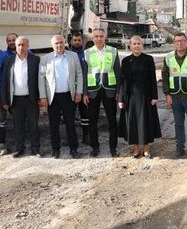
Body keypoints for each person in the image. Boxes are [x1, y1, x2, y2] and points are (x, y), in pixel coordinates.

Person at [39, 35, 85, 159]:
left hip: (69, 96)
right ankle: (55, 149)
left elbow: (79, 75)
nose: (59, 45)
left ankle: (74, 148)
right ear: (52, 45)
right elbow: (41, 79)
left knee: (70, 124)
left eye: (61, 43)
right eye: (56, 43)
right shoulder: (45, 59)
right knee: (53, 124)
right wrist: (43, 96)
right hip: (52, 97)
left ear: (65, 43)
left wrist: (79, 92)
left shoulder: (73, 56)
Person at [118, 36, 161, 158]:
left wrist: (154, 96)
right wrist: (121, 98)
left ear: (142, 45)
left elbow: (153, 79)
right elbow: (122, 81)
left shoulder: (148, 59)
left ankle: (146, 148)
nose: (136, 46)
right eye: (134, 44)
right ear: (130, 46)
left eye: (139, 43)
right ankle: (136, 148)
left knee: (145, 122)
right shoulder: (126, 61)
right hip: (130, 97)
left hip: (146, 96)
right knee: (133, 122)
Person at [162, 32, 187, 159]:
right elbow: (165, 77)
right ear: (174, 43)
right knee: (178, 124)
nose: (179, 43)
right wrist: (167, 95)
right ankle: (180, 149)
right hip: (175, 97)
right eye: (177, 41)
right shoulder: (168, 57)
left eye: (182, 40)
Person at [83, 28, 121, 157]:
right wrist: (85, 93)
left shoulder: (113, 51)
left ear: (105, 37)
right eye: (96, 36)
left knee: (112, 121)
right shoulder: (87, 53)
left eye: (101, 36)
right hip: (93, 91)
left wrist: (118, 92)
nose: (99, 39)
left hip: (110, 90)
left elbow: (118, 72)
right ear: (93, 38)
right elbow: (84, 74)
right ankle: (95, 147)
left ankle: (113, 148)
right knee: (92, 121)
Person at [1, 36, 41, 157]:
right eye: (18, 45)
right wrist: (5, 101)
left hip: (31, 99)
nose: (21, 47)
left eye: (23, 45)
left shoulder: (35, 60)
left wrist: (41, 97)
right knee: (18, 126)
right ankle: (19, 148)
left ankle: (35, 149)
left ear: (28, 46)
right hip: (15, 100)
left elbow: (40, 80)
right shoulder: (9, 61)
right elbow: (4, 82)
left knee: (33, 125)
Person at [69, 32, 89, 146]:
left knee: (85, 114)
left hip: (84, 89)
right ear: (71, 41)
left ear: (82, 41)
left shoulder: (86, 54)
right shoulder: (67, 54)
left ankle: (86, 136)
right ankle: (71, 137)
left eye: (79, 40)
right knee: (70, 114)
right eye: (75, 40)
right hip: (70, 90)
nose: (77, 42)